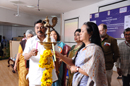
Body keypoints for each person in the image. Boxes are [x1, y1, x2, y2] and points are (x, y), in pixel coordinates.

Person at [54, 22, 107, 86]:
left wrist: (76, 69)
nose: (80, 33)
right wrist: (60, 56)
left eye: (82, 31)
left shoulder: (94, 49)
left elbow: (92, 71)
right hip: (80, 81)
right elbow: (73, 61)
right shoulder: (83, 49)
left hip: (88, 83)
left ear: (90, 33)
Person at [23, 20, 58, 86]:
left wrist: (56, 71)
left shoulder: (51, 40)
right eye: (37, 27)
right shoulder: (30, 41)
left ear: (45, 28)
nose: (39, 29)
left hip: (48, 74)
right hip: (35, 75)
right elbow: (25, 57)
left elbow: (57, 56)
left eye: (41, 27)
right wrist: (30, 53)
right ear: (34, 29)